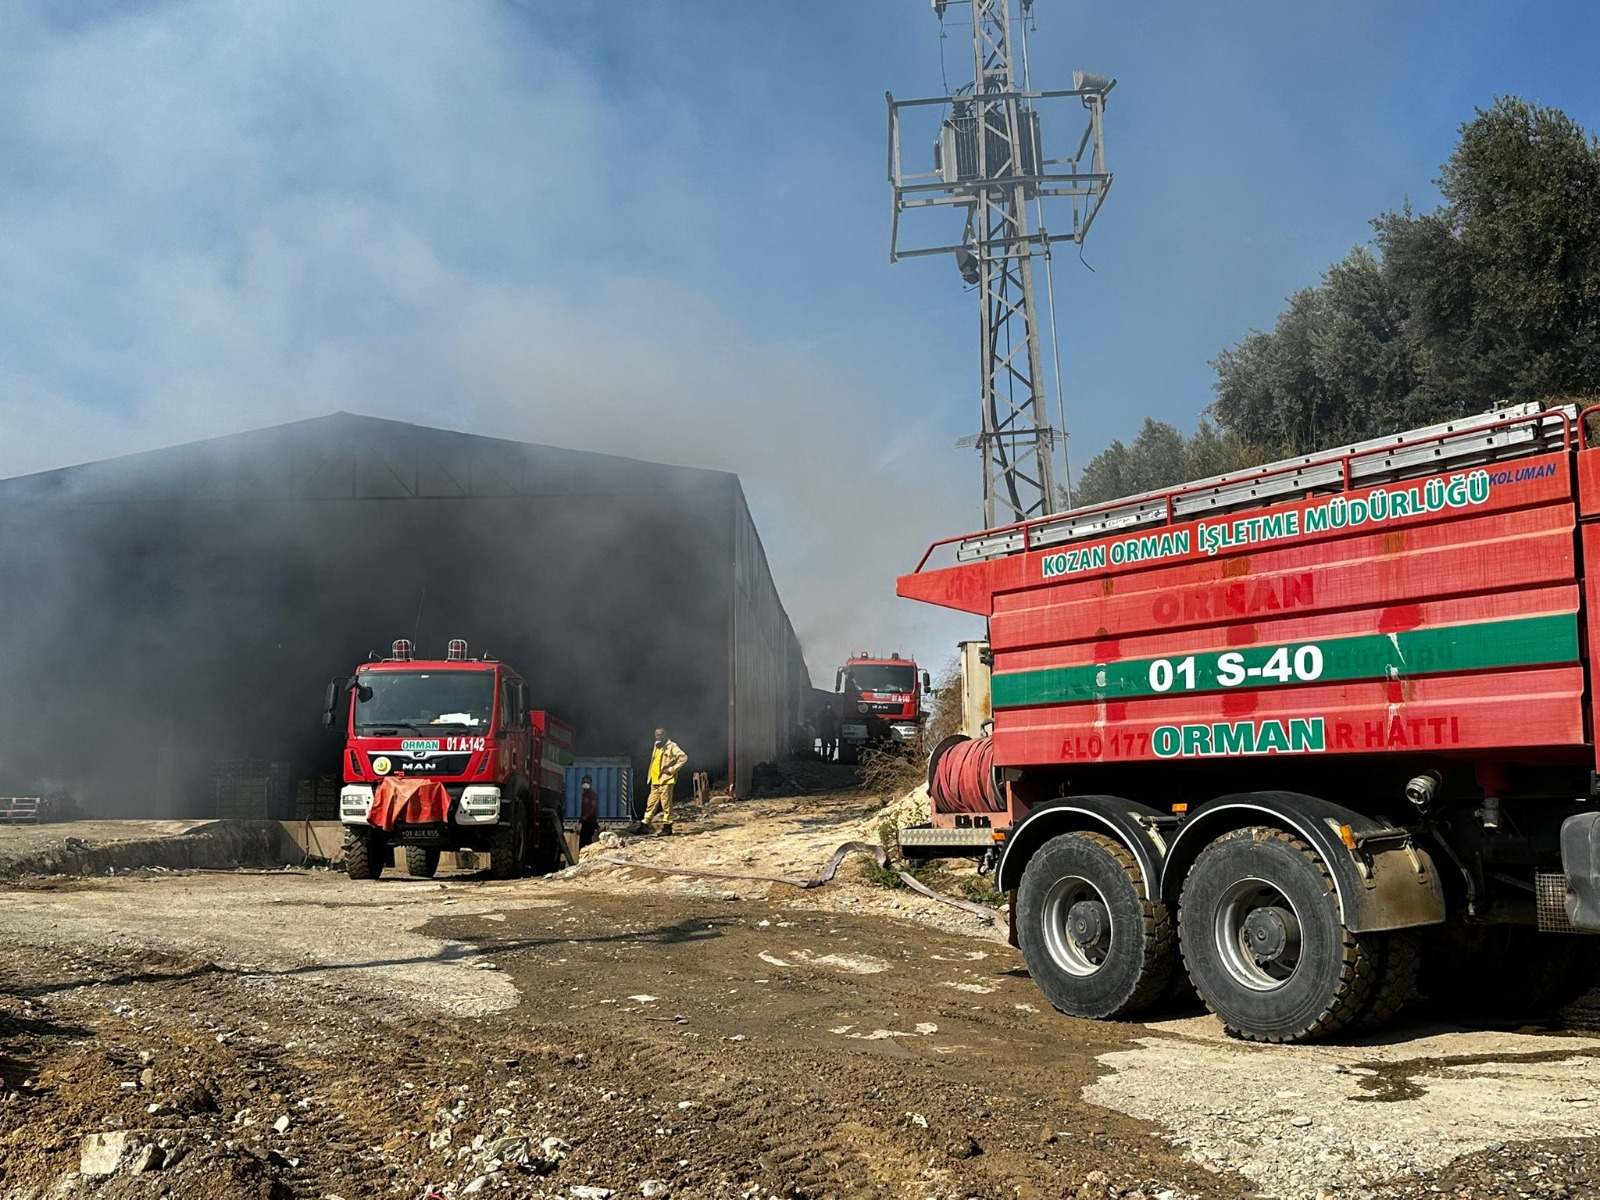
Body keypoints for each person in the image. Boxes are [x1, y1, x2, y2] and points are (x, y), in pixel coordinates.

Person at [644, 726, 687, 836]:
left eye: (661, 734)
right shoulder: (656, 746)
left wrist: (672, 770)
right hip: (655, 781)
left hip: (666, 780)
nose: (659, 737)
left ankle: (667, 828)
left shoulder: (672, 746)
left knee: (666, 805)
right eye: (657, 735)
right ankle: (644, 825)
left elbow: (683, 757)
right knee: (651, 804)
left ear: (666, 734)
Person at [578, 775, 601, 848]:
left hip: (590, 822)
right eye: (584, 782)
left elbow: (593, 807)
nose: (585, 783)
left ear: (590, 783)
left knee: (586, 841)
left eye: (587, 782)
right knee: (583, 841)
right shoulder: (584, 794)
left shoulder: (592, 794)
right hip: (585, 822)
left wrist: (586, 816)